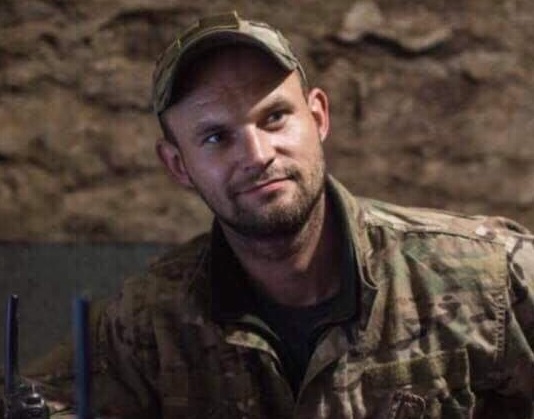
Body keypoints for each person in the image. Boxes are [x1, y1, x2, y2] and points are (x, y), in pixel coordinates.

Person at [16, 11, 534, 419]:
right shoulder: (149, 322)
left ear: (318, 116)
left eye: (275, 117)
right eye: (216, 137)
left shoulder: (486, 279)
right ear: (178, 165)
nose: (257, 154)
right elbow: (36, 399)